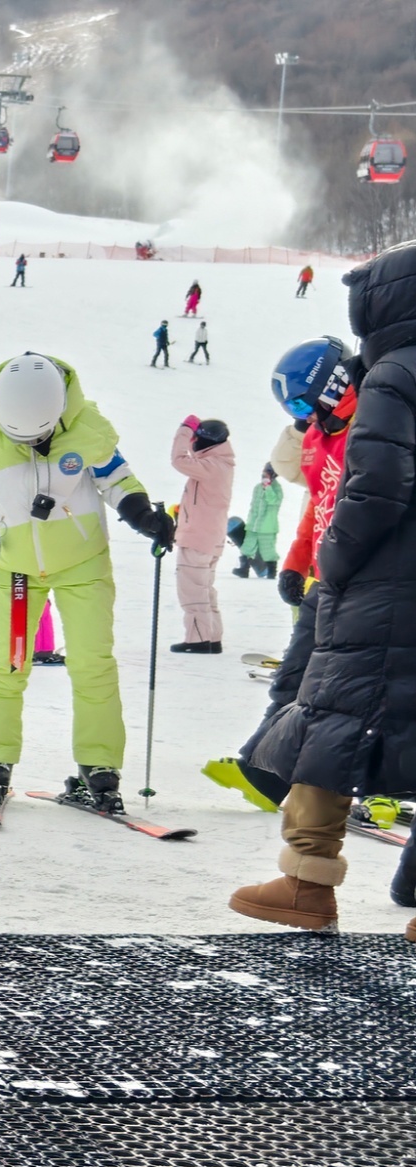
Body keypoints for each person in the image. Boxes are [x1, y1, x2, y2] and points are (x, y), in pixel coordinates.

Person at [234, 243, 416, 933]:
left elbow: (374, 486)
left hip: (381, 579)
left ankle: (305, 883)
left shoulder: (393, 375)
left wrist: (333, 561)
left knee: (331, 715)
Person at [0, 352, 171, 815]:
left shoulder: (86, 425)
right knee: (6, 666)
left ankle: (100, 765)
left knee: (93, 664)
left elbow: (117, 478)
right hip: (16, 570)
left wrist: (143, 515)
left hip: (83, 564)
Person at [222, 337, 360, 816]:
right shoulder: (320, 438)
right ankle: (263, 768)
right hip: (327, 577)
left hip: (364, 580)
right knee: (294, 676)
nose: (303, 417)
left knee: (340, 687)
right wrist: (296, 563)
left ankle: (362, 783)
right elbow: (317, 508)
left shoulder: (369, 429)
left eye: (303, 404)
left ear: (333, 385)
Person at [167, 416, 235, 653]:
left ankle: (198, 640)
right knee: (205, 589)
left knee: (192, 590)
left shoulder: (210, 466)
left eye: (196, 438)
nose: (193, 442)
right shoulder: (220, 464)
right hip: (210, 538)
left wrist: (184, 430)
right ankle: (212, 637)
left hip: (198, 538)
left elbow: (178, 460)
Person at [241, 463, 282, 578]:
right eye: (264, 473)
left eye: (267, 474)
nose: (264, 476)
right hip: (253, 524)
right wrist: (250, 520)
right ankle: (243, 569)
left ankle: (271, 572)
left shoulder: (277, 489)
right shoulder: (257, 488)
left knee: (268, 549)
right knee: (247, 546)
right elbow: (253, 505)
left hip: (267, 526)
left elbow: (273, 501)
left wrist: (268, 488)